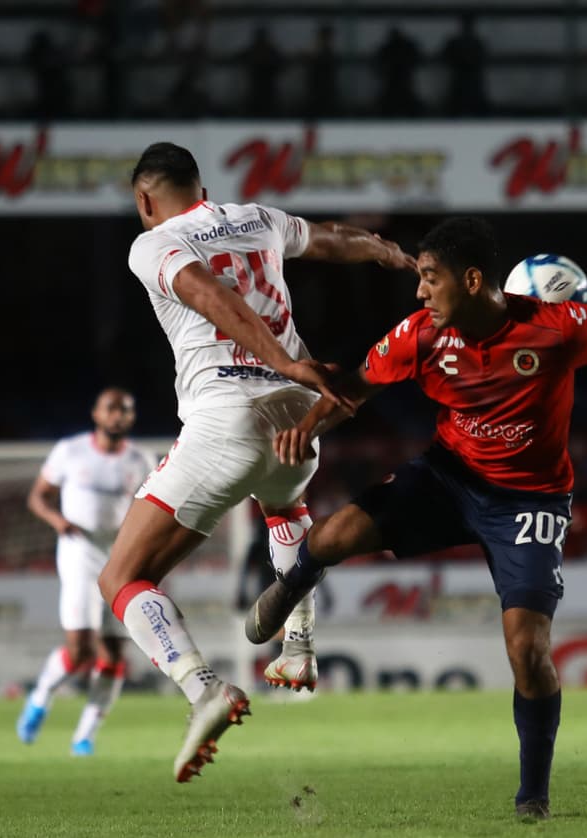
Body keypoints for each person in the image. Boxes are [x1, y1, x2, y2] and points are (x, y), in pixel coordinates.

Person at [244, 216, 587, 819]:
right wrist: (304, 426)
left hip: (530, 501)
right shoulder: (419, 335)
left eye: (430, 278)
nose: (420, 292)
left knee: (528, 648)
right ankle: (290, 586)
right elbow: (353, 388)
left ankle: (533, 795)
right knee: (332, 534)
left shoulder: (556, 327)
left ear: (472, 280)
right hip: (450, 477)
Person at [100, 141, 415, 783]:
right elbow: (330, 238)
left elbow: (208, 294)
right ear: (201, 184)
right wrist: (386, 251)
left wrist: (280, 359)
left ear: (144, 200)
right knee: (285, 509)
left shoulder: (153, 243)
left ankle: (202, 689)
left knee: (122, 577)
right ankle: (297, 648)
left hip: (230, 418)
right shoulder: (257, 217)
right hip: (301, 420)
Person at [17, 387, 157, 756]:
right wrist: (57, 520)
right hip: (79, 552)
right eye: (111, 409)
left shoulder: (141, 459)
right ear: (96, 414)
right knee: (79, 649)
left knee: (114, 654)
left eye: (125, 410)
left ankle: (85, 736)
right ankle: (42, 695)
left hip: (120, 557)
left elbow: (151, 508)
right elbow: (38, 497)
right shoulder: (70, 451)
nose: (118, 416)